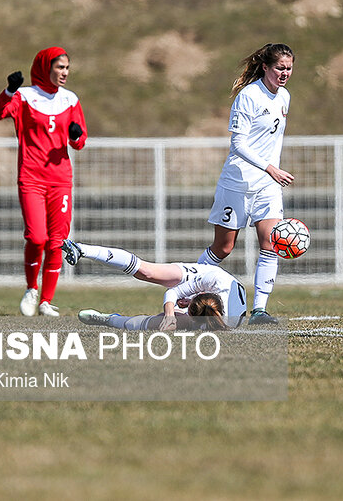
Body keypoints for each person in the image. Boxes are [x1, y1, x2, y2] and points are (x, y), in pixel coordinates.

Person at [195, 43, 295, 326]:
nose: (284, 73)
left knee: (271, 243)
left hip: (267, 186)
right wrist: (269, 167)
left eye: (288, 68)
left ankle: (259, 311)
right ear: (265, 67)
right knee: (224, 248)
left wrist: (270, 174)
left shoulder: (284, 97)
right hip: (237, 182)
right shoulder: (248, 97)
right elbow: (237, 144)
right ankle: (185, 289)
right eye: (279, 68)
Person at [0, 46, 87, 317]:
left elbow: (79, 143)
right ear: (45, 67)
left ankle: (46, 300)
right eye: (59, 67)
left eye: (67, 68)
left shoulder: (70, 100)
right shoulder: (25, 96)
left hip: (60, 180)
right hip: (31, 177)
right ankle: (31, 289)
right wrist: (9, 90)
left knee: (57, 241)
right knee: (36, 236)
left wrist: (76, 135)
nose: (64, 73)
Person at [61, 238, 246, 330]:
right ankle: (81, 249)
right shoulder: (212, 279)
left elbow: (194, 314)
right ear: (199, 294)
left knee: (161, 326)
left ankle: (109, 319)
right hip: (202, 276)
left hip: (206, 302)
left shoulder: (224, 324)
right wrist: (170, 313)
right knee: (146, 271)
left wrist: (174, 319)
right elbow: (173, 293)